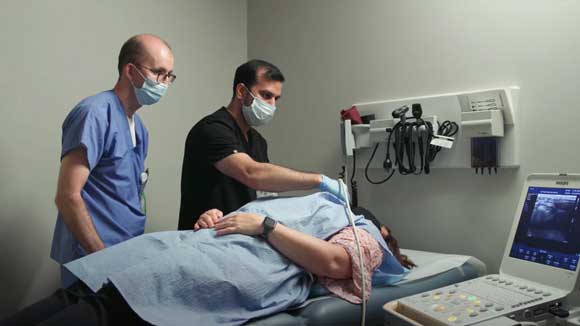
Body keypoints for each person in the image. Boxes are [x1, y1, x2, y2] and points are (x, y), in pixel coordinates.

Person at [2, 193, 407, 326]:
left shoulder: (366, 233)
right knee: (83, 294)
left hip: (233, 267)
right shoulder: (320, 201)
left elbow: (335, 264)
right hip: (199, 244)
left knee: (106, 305)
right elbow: (247, 218)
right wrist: (216, 218)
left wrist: (265, 226)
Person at [50, 34, 175, 288]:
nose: (164, 83)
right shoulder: (95, 114)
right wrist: (102, 259)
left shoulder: (139, 129)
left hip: (124, 255)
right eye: (158, 73)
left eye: (169, 76)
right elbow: (67, 196)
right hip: (92, 259)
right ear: (131, 71)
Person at [178, 59, 344, 230]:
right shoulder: (212, 130)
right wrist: (319, 180)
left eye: (276, 98)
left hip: (238, 238)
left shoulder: (258, 141)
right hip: (203, 237)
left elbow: (264, 189)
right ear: (241, 91)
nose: (272, 105)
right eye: (266, 95)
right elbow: (252, 173)